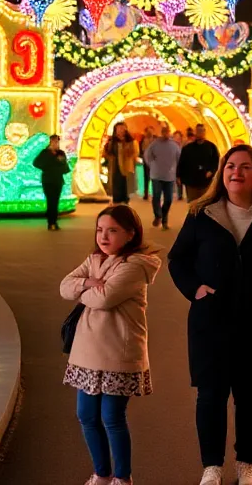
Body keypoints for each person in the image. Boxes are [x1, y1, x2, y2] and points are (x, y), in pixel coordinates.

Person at [168, 145, 252, 485]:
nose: (235, 172)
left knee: (250, 395)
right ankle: (212, 466)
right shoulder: (202, 214)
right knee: (210, 394)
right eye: (230, 166)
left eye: (244, 167)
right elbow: (178, 259)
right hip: (209, 321)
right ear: (221, 173)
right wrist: (195, 290)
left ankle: (246, 463)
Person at [60, 204, 161, 485]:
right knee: (86, 416)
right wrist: (91, 284)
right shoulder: (94, 259)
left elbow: (104, 299)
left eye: (112, 231)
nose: (104, 237)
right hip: (87, 353)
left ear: (130, 234)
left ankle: (122, 477)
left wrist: (86, 287)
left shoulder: (136, 265)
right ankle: (101, 474)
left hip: (119, 353)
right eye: (100, 230)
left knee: (111, 417)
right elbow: (64, 286)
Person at [143, 124, 181, 230]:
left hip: (169, 176)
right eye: (164, 132)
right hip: (156, 175)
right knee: (156, 197)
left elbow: (179, 159)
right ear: (161, 133)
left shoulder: (174, 145)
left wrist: (177, 173)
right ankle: (158, 216)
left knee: (168, 199)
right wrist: (152, 165)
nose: (166, 134)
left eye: (167, 132)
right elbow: (147, 155)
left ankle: (164, 218)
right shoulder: (154, 144)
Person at [33, 134, 70, 230]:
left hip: (58, 180)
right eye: (53, 141)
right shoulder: (45, 153)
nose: (55, 143)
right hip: (48, 180)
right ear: (50, 142)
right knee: (50, 201)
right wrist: (48, 164)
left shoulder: (61, 153)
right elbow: (36, 163)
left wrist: (61, 162)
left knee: (55, 201)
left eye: (57, 142)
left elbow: (65, 169)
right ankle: (50, 222)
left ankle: (54, 221)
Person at [177, 123, 220, 204]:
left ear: (204, 132)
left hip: (206, 182)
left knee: (205, 204)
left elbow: (215, 162)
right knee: (193, 205)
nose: (200, 133)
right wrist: (179, 176)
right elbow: (182, 163)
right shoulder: (188, 148)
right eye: (198, 131)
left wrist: (211, 171)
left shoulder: (211, 147)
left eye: (201, 131)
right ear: (195, 132)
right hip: (191, 182)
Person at [104, 123, 138, 204]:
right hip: (115, 166)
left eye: (123, 128)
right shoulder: (112, 141)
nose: (121, 131)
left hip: (126, 166)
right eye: (119, 129)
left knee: (126, 184)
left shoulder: (130, 141)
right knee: (116, 183)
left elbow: (134, 153)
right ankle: (117, 200)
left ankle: (125, 199)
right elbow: (107, 153)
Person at [138, 126, 156, 199]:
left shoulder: (156, 140)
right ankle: (146, 193)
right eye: (148, 131)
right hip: (146, 161)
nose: (150, 133)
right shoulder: (143, 140)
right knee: (146, 177)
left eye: (151, 131)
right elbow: (140, 150)